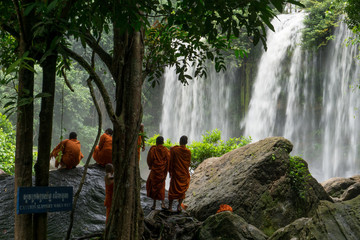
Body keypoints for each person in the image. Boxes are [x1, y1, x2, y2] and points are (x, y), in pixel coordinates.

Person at [168, 135, 191, 212]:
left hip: (176, 173)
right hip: (183, 173)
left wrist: (170, 171)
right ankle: (178, 207)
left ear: (179, 141)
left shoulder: (174, 150)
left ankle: (170, 207)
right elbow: (188, 163)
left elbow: (171, 161)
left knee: (172, 190)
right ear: (186, 142)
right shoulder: (188, 152)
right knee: (182, 191)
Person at [146, 136, 170, 210]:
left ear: (156, 142)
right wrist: (167, 169)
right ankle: (162, 204)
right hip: (162, 171)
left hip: (154, 171)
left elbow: (149, 159)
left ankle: (154, 205)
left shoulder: (153, 149)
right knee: (161, 186)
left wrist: (151, 166)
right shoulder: (166, 150)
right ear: (163, 142)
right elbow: (168, 161)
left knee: (153, 186)